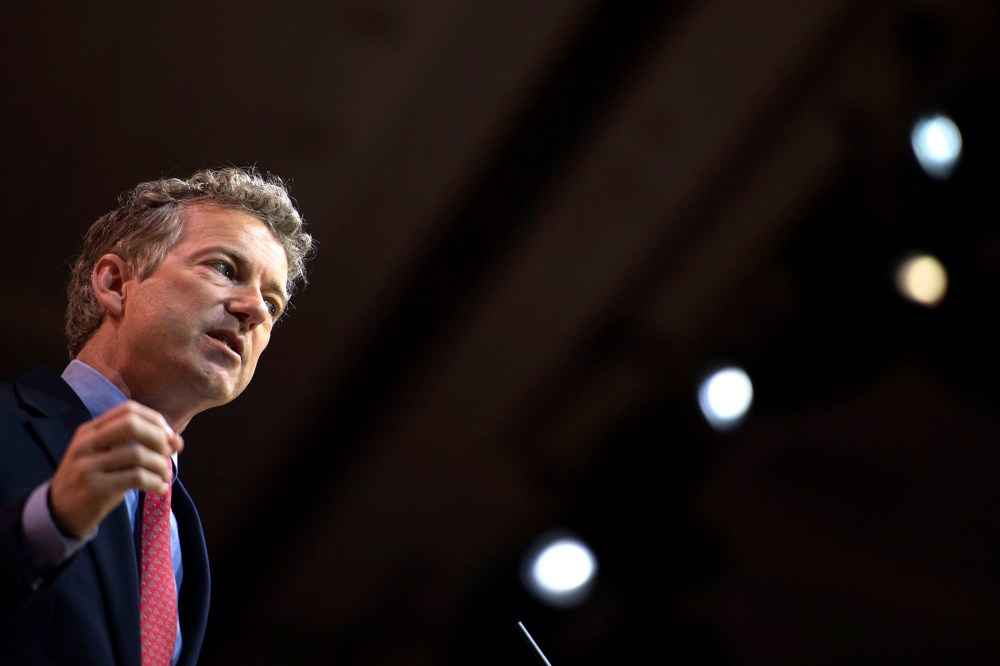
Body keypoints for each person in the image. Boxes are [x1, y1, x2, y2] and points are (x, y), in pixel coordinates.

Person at [0, 166, 315, 665]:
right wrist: (52, 521)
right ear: (115, 283)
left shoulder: (180, 531)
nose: (254, 308)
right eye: (226, 269)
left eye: (273, 304)